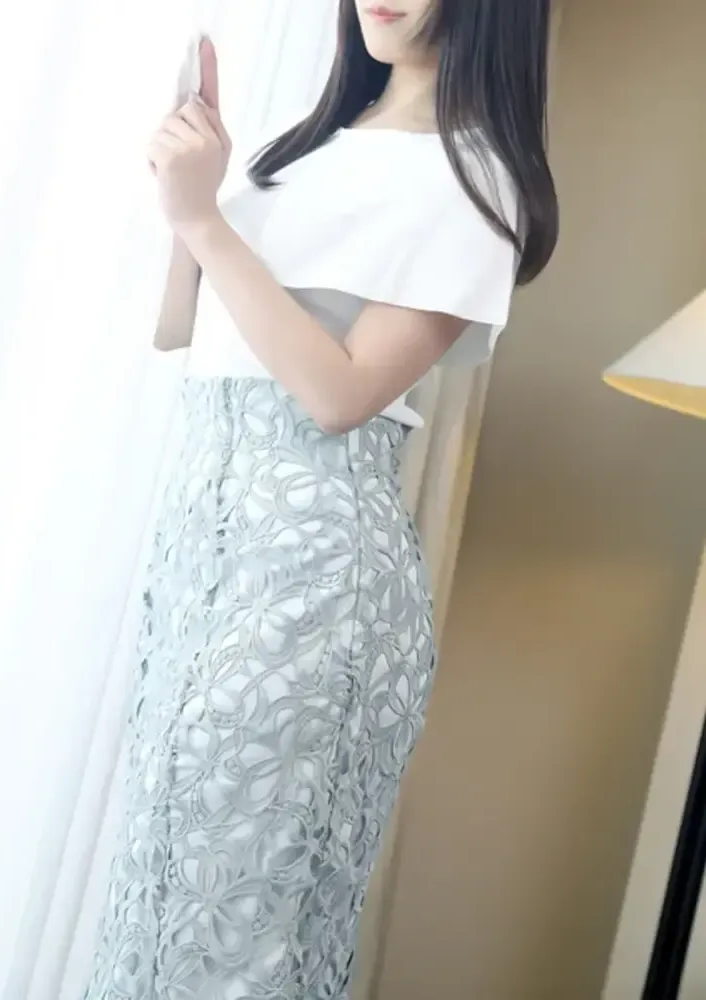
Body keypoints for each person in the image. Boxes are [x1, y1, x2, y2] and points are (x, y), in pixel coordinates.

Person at [85, 1, 558, 997]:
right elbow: (181, 328)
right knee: (164, 894)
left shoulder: (478, 177)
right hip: (207, 556)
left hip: (314, 582)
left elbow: (341, 395)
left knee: (236, 926)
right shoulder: (306, 144)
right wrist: (188, 191)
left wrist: (205, 219)